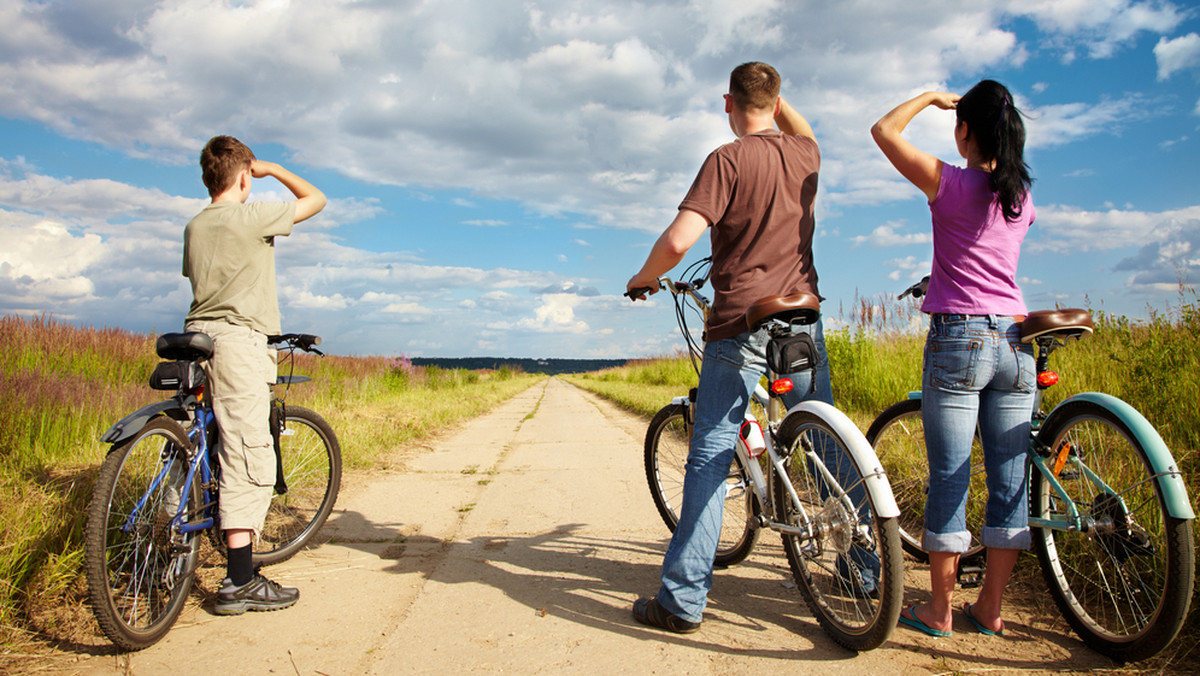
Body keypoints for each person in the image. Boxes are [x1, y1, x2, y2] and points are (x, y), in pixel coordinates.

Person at [626, 61, 835, 633]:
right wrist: (780, 97)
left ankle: (682, 600)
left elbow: (677, 240)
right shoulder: (805, 154)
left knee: (710, 455)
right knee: (827, 439)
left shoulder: (727, 158)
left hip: (740, 322)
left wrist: (643, 277)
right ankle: (866, 569)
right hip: (803, 317)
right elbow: (805, 131)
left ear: (727, 103)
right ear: (777, 100)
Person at [871, 80, 1036, 638]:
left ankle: (939, 612)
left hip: (959, 340)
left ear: (965, 130)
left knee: (950, 477)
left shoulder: (950, 183)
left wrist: (930, 96)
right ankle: (989, 608)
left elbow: (883, 131)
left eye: (957, 124)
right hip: (1016, 341)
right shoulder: (1021, 198)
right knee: (1009, 480)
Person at [182, 135, 327, 615]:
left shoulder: (195, 225)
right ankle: (240, 580)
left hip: (194, 337)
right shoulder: (249, 215)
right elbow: (316, 200)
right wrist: (275, 168)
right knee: (248, 454)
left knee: (203, 440)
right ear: (244, 175)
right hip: (237, 342)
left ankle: (178, 526)